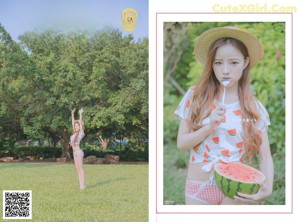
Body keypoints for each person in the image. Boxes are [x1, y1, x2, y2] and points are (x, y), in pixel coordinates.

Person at [174, 26, 274, 205]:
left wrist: (267, 186)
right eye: (218, 63)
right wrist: (209, 127)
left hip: (236, 193)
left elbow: (265, 155)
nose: (225, 70)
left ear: (245, 63)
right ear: (211, 65)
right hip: (198, 188)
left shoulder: (254, 108)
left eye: (233, 62)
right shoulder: (195, 96)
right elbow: (181, 143)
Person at [70, 108, 86, 190]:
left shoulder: (80, 133)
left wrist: (80, 114)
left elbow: (80, 123)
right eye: (75, 126)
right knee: (77, 169)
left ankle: (82, 185)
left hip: (79, 152)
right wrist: (72, 114)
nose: (75, 127)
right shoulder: (74, 133)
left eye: (77, 126)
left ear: (80, 127)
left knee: (80, 168)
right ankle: (81, 184)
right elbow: (73, 123)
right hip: (74, 153)